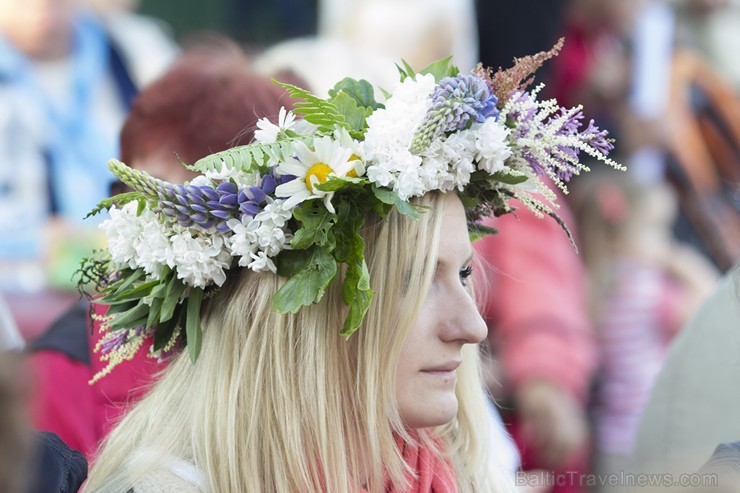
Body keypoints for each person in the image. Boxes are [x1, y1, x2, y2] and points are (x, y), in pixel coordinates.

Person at [81, 51, 618, 491]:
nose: (473, 327)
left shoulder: (465, 474)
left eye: (460, 276)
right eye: (414, 281)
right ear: (305, 310)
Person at [26, 42, 296, 460]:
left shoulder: (304, 368)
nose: (137, 228)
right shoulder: (60, 375)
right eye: (125, 197)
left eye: (175, 213)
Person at [568, 171, 718, 477]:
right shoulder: (646, 290)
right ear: (618, 239)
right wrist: (684, 262)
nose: (664, 241)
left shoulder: (592, 288)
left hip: (613, 438)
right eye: (655, 230)